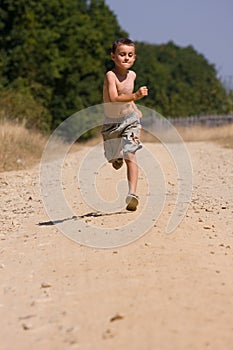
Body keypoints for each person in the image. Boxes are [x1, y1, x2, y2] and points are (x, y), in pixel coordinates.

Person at [101, 38, 148, 211]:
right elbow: (114, 98)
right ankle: (116, 158)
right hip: (111, 123)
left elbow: (126, 94)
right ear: (113, 56)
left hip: (130, 121)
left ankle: (132, 194)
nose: (126, 58)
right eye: (122, 55)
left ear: (134, 58)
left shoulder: (133, 75)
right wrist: (136, 97)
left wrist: (135, 108)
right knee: (114, 158)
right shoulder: (110, 76)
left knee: (131, 154)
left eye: (130, 55)